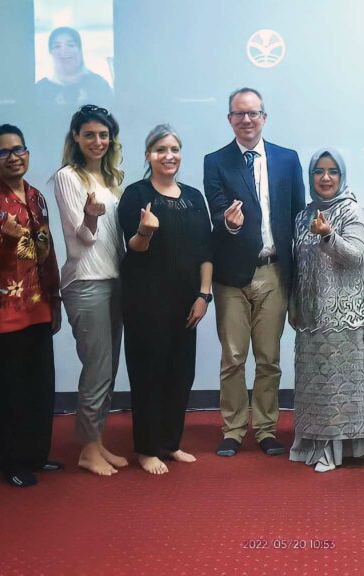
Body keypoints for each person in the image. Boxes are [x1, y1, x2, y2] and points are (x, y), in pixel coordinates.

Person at [203, 87, 305, 457]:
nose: (246, 120)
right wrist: (228, 224)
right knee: (233, 358)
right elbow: (217, 212)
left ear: (264, 117)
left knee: (269, 358)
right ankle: (232, 429)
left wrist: (298, 281)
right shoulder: (216, 161)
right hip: (231, 276)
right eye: (239, 114)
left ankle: (265, 429)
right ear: (229, 119)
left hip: (274, 272)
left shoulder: (287, 160)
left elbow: (298, 217)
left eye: (253, 113)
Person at [0, 124, 64, 488]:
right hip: (4, 312)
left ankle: (37, 455)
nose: (13, 157)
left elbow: (46, 252)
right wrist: (8, 242)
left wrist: (55, 298)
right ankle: (11, 462)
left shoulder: (37, 197)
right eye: (3, 152)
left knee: (40, 387)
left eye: (19, 149)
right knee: (10, 391)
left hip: (39, 305)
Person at [118, 124, 214, 475]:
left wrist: (204, 295)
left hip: (186, 301)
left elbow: (206, 250)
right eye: (160, 150)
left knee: (180, 373)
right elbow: (134, 247)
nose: (168, 156)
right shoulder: (135, 195)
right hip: (145, 301)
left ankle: (171, 443)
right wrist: (145, 231)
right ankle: (147, 449)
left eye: (174, 149)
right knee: (149, 374)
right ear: (149, 155)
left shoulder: (194, 197)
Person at [288, 148, 364, 472]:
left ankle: (340, 451)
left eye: (332, 172)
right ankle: (313, 445)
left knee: (337, 387)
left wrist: (328, 235)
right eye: (318, 171)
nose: (325, 178)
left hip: (345, 317)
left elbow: (355, 256)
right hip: (311, 316)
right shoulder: (303, 215)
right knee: (315, 386)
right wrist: (293, 303)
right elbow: (298, 264)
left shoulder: (353, 211)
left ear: (342, 176)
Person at [53, 104, 128, 476]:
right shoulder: (68, 176)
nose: (97, 141)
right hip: (86, 281)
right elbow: (82, 238)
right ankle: (86, 450)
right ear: (76, 137)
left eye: (103, 135)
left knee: (108, 369)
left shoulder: (111, 179)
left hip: (114, 281)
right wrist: (91, 216)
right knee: (96, 369)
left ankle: (96, 442)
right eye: (89, 135)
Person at [35, 27, 113, 109]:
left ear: (80, 50)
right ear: (50, 52)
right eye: (57, 46)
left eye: (70, 45)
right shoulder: (40, 89)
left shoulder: (98, 84)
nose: (64, 51)